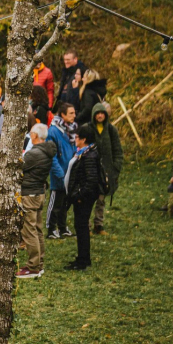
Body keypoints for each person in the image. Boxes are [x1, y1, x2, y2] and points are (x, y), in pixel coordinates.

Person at [79, 102, 122, 235]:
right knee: (88, 199)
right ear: (93, 115)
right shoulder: (87, 128)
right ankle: (86, 226)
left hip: (106, 171)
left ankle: (99, 225)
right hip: (90, 170)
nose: (100, 116)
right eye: (97, 113)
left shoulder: (111, 130)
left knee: (101, 199)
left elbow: (117, 150)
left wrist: (115, 168)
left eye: (102, 113)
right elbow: (80, 147)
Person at [18, 124, 54, 278]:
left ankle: (33, 266)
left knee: (29, 230)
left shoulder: (34, 154)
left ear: (35, 135)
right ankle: (39, 263)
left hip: (30, 194)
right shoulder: (46, 151)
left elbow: (19, 166)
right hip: (39, 192)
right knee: (38, 230)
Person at [65, 125, 102, 271]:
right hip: (81, 196)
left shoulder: (89, 156)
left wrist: (80, 196)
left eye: (77, 137)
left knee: (81, 227)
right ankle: (82, 257)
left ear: (84, 139)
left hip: (84, 198)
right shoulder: (84, 153)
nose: (75, 139)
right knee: (80, 227)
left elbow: (91, 181)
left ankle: (83, 260)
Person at [46, 103, 76, 238]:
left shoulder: (71, 129)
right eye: (71, 113)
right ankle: (51, 228)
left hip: (69, 173)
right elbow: (51, 156)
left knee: (65, 203)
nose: (74, 116)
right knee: (56, 202)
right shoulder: (53, 131)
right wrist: (60, 174)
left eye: (74, 113)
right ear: (63, 115)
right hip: (59, 174)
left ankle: (62, 227)